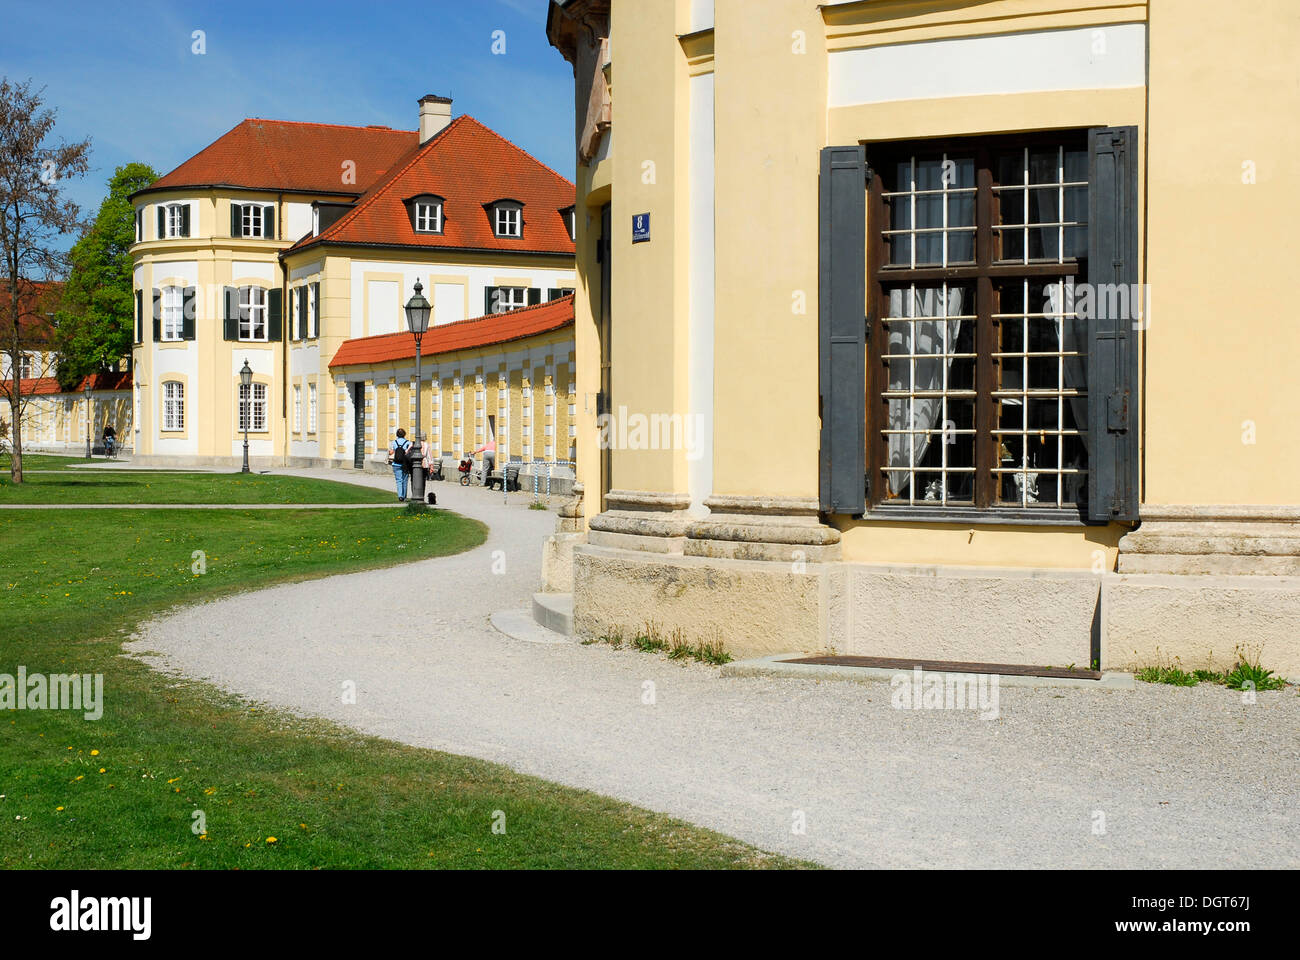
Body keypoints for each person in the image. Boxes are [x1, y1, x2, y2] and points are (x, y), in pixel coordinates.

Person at [387, 428, 413, 502]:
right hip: (405, 464)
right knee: (405, 480)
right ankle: (404, 496)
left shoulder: (394, 442)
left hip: (396, 463)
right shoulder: (408, 442)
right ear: (404, 434)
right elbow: (409, 453)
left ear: (397, 434)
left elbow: (391, 452)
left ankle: (400, 496)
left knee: (398, 480)